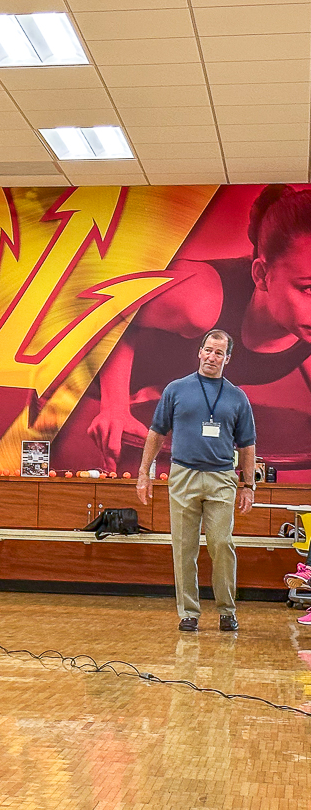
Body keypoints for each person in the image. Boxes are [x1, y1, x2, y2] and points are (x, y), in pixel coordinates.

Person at [89, 185, 311, 474]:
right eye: (309, 288)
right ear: (262, 275)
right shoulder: (199, 300)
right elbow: (108, 310)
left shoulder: (301, 321)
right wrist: (114, 405)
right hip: (82, 389)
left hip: (161, 403)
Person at [136, 329, 256, 632]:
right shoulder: (176, 390)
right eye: (208, 350)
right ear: (199, 352)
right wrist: (143, 474)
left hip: (221, 478)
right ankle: (189, 612)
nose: (212, 357)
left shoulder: (237, 397)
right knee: (183, 547)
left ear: (227, 359)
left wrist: (249, 485)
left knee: (221, 543)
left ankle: (227, 610)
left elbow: (247, 445)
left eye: (219, 353)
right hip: (183, 476)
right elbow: (156, 432)